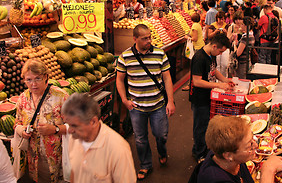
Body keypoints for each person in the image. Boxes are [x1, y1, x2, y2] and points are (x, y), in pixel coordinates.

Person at [116, 24, 175, 180]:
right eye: (144, 38)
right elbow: (119, 80)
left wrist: (171, 101)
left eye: (150, 37)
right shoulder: (125, 57)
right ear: (135, 39)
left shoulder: (160, 53)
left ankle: (162, 151)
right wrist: (124, 100)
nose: (149, 40)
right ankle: (145, 165)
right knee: (140, 139)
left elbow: (167, 78)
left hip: (158, 105)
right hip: (136, 107)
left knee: (161, 134)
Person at [62, 93, 136, 183]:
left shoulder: (118, 149)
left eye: (74, 125)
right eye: (68, 125)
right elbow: (74, 172)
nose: (69, 131)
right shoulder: (74, 138)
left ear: (93, 121)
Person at [14, 59, 68, 183]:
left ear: (46, 77)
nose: (33, 84)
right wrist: (22, 130)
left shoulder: (60, 97)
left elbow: (76, 126)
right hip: (33, 158)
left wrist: (54, 129)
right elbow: (17, 123)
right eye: (29, 80)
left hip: (58, 157)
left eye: (37, 78)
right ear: (24, 80)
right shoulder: (23, 98)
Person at [196, 115, 282, 183]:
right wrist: (268, 170)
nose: (255, 146)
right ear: (228, 155)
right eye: (250, 145)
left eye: (253, 139)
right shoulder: (215, 179)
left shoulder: (231, 159)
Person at [189, 33, 234, 162]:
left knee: (206, 125)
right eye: (220, 51)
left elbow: (213, 71)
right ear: (214, 46)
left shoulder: (210, 55)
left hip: (208, 96)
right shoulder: (199, 58)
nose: (220, 54)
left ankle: (199, 149)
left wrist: (225, 80)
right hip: (199, 98)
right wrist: (219, 86)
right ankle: (199, 154)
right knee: (200, 126)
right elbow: (197, 81)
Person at [182, 13, 206, 91]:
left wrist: (187, 37)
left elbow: (195, 38)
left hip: (197, 48)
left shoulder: (194, 26)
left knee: (194, 67)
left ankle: (191, 85)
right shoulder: (198, 25)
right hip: (200, 46)